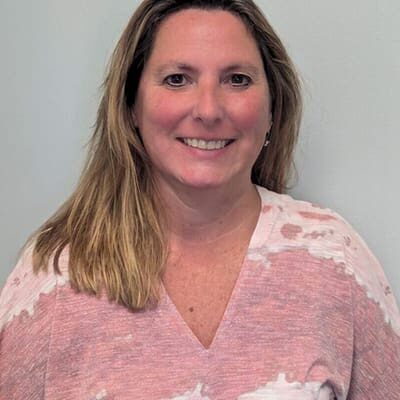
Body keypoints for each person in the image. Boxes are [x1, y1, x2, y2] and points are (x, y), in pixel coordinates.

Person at [1, 0, 399, 398]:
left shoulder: (334, 262)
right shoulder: (55, 276)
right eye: (177, 79)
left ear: (272, 108)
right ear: (131, 107)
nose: (208, 110)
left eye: (237, 79)